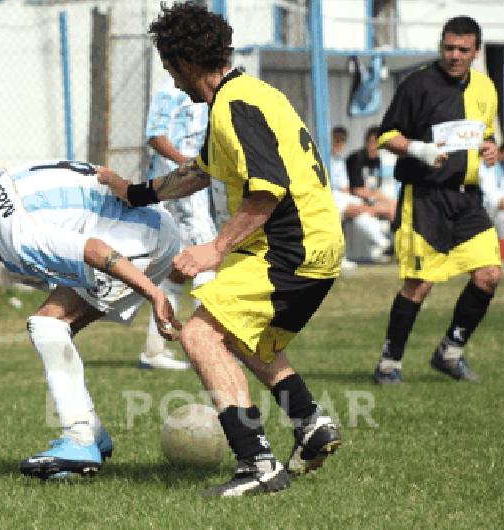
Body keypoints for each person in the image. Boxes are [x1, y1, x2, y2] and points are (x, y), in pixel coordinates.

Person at [98, 2, 344, 497]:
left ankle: (258, 464)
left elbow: (267, 188)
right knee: (239, 337)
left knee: (200, 337)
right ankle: (309, 421)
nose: (174, 82)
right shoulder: (248, 96)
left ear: (186, 63)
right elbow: (199, 171)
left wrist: (214, 248)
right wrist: (136, 193)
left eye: (171, 69)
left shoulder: (234, 108)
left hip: (288, 249)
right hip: (317, 246)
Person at [0, 160, 181, 479]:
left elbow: (94, 250)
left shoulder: (21, 239)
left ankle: (80, 440)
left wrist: (154, 294)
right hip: (142, 221)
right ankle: (92, 434)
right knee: (53, 327)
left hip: (140, 243)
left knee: (48, 325)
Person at [372, 16, 502, 384]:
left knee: (489, 275)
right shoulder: (418, 85)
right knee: (419, 284)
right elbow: (386, 136)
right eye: (449, 48)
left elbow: (485, 136)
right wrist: (419, 149)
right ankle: (389, 363)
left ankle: (450, 351)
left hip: (467, 200)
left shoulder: (486, 88)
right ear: (440, 46)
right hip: (425, 198)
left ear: (476, 51)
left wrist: (490, 149)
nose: (454, 55)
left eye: (463, 49)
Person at [139, 79, 217, 370]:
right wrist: (187, 165)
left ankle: (153, 349)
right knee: (207, 259)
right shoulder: (169, 93)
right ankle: (212, 346)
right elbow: (155, 136)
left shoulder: (209, 95)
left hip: (196, 184)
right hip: (180, 184)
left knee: (178, 269)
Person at [330, 126, 392, 265]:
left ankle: (382, 244)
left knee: (360, 208)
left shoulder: (339, 161)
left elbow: (345, 188)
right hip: (328, 197)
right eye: (336, 141)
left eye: (342, 141)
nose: (339, 145)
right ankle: (382, 243)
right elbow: (353, 189)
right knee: (358, 208)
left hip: (343, 197)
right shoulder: (327, 158)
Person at [346, 126, 397, 221]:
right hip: (355, 201)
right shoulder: (356, 159)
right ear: (366, 142)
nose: (375, 148)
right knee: (391, 210)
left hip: (370, 199)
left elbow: (376, 187)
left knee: (396, 206)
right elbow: (357, 190)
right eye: (372, 143)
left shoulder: (377, 160)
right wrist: (383, 198)